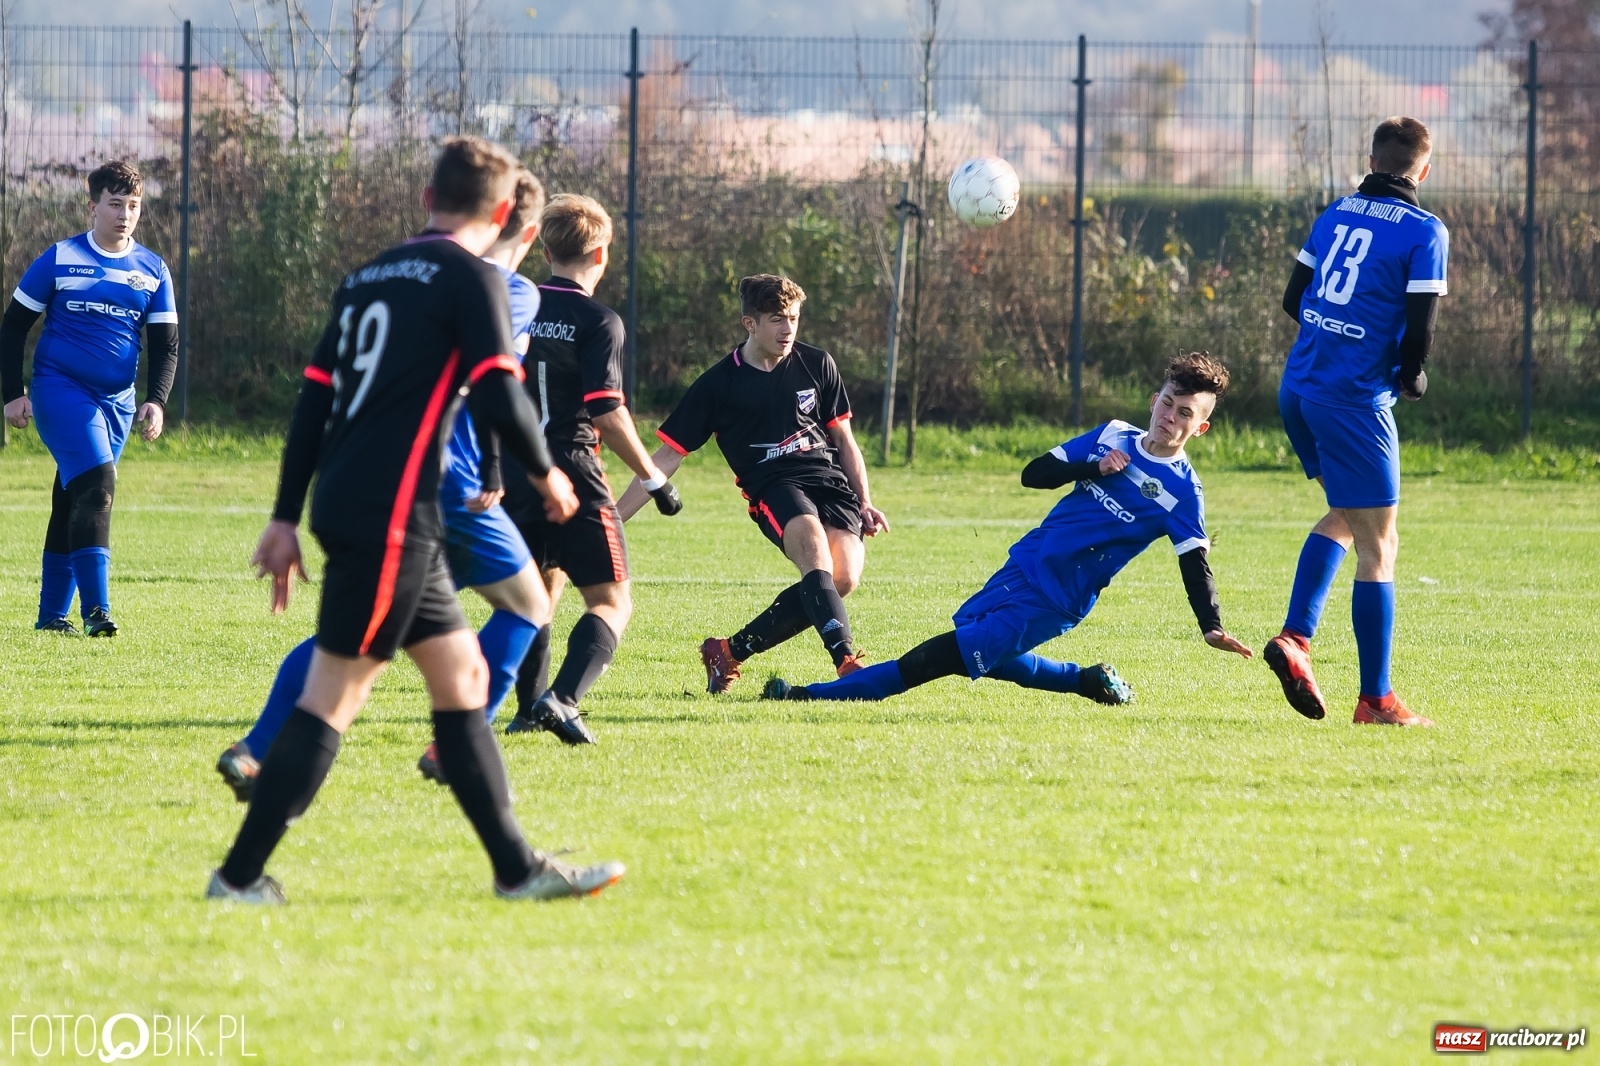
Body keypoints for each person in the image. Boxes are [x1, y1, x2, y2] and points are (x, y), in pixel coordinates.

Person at [207, 137, 623, 904]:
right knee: (336, 694)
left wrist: (283, 515)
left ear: (428, 198)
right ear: (502, 213)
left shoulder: (366, 277)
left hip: (365, 499)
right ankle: (236, 878)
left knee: (464, 677)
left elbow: (312, 401)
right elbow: (500, 392)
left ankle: (516, 870)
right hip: (394, 509)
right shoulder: (473, 279)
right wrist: (545, 475)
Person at [214, 169, 555, 800]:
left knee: (360, 635)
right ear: (526, 229)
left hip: (375, 475)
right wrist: (513, 471)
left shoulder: (394, 276)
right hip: (441, 482)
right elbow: (490, 388)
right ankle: (459, 746)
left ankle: (256, 749)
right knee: (529, 604)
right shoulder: (506, 288)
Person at [762, 353, 1252, 704]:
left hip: (1056, 597)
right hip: (1024, 565)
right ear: (1154, 399)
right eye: (1168, 403)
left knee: (930, 662)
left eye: (1185, 413)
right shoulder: (1111, 437)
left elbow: (1195, 561)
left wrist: (1211, 627)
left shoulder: (1184, 492)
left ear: (1200, 427)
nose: (1171, 417)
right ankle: (1084, 681)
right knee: (979, 645)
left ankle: (806, 695)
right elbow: (1033, 474)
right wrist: (1093, 467)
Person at [617, 274, 887, 693]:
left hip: (831, 486)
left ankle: (728, 651)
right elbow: (667, 456)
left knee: (843, 579)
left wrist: (866, 501)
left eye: (794, 319)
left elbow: (844, 439)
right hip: (775, 488)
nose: (788, 330)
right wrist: (614, 518)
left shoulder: (817, 363)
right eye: (778, 320)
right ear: (750, 323)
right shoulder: (719, 384)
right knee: (814, 551)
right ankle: (846, 661)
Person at [1263, 117, 1447, 728]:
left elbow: (1295, 300)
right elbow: (1419, 328)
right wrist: (1411, 373)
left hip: (1301, 387)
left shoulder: (1335, 213)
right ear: (1423, 169)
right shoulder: (1425, 230)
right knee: (1380, 544)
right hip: (1352, 401)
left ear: (1370, 158)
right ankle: (1376, 699)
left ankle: (1296, 638)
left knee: (1348, 512)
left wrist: (1335, 340)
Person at [497, 193, 682, 745]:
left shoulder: (515, 305)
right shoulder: (599, 319)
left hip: (515, 473)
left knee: (538, 592)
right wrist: (653, 477)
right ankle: (563, 699)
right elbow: (606, 407)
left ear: (546, 248)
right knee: (611, 600)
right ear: (600, 253)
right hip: (575, 473)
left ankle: (528, 708)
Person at [1, 161, 177, 637]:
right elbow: (13, 326)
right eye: (115, 204)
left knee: (72, 497)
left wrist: (156, 401)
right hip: (60, 390)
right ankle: (97, 611)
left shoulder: (152, 270)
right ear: (92, 206)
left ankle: (50, 617)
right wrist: (12, 394)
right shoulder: (60, 258)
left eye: (133, 206)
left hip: (117, 402)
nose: (124, 215)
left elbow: (166, 345)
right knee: (99, 486)